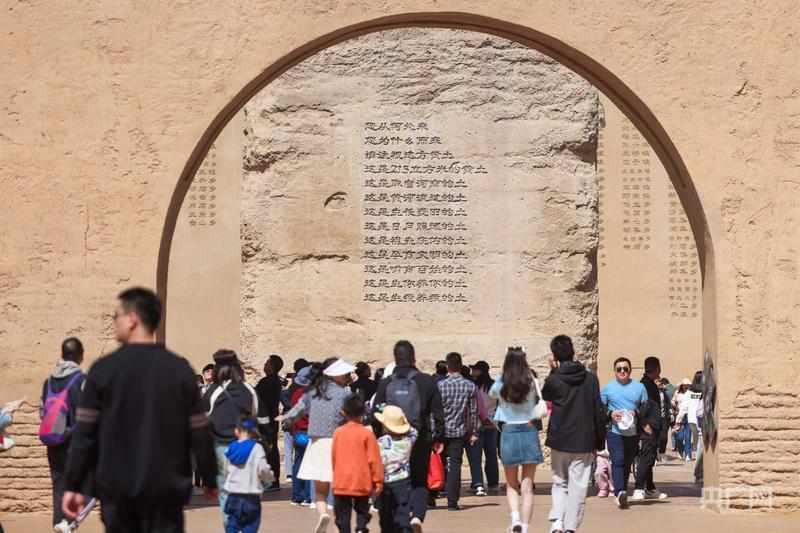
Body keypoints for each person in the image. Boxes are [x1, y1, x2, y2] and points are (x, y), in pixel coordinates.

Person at [62, 287, 218, 532]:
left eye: (116, 316)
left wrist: (73, 484)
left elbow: (84, 434)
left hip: (117, 490)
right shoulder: (179, 370)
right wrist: (209, 478)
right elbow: (199, 432)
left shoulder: (104, 370)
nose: (114, 322)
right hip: (167, 491)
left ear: (132, 318)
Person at [372, 340, 444, 531]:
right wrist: (438, 438)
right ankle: (417, 516)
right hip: (419, 438)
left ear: (395, 359)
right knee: (419, 480)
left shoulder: (387, 383)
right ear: (414, 358)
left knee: (392, 478)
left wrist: (377, 436)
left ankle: (395, 517)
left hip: (391, 440)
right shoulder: (427, 381)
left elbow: (375, 412)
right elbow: (438, 412)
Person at [541, 336, 606, 533]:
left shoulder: (554, 379)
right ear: (573, 351)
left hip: (560, 437)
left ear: (554, 355)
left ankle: (557, 522)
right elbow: (598, 410)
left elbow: (546, 395)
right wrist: (599, 440)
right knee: (578, 486)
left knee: (559, 481)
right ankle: (570, 527)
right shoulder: (591, 379)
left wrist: (553, 370)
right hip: (584, 439)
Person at [282, 358, 356, 533]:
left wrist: (287, 421)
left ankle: (322, 513)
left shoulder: (312, 392)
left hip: (316, 443)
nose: (348, 377)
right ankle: (341, 523)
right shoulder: (345, 394)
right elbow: (356, 414)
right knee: (339, 489)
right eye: (345, 374)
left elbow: (297, 410)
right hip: (339, 442)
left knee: (320, 489)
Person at [489, 348, 545, 533]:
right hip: (529, 430)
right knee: (528, 486)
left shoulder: (502, 381)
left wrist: (502, 376)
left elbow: (491, 394)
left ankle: (515, 520)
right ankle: (526, 527)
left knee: (512, 484)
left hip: (509, 431)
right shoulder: (531, 380)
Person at [204, 349, 259, 527]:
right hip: (248, 446)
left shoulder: (214, 390)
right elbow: (258, 414)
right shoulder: (248, 389)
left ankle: (231, 527)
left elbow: (204, 415)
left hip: (222, 447)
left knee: (226, 491)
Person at [40, 337, 87, 532]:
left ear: (62, 354)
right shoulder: (81, 381)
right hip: (74, 444)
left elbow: (43, 412)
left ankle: (58, 526)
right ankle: (68, 526)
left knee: (58, 488)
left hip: (53, 442)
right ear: (80, 356)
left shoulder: (48, 381)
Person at [601, 356, 649, 509]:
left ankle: (621, 490)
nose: (622, 371)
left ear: (630, 370)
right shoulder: (607, 388)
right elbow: (599, 408)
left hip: (632, 431)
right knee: (618, 460)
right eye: (619, 369)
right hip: (614, 431)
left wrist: (636, 412)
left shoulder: (639, 388)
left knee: (627, 462)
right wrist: (610, 414)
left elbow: (646, 406)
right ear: (615, 371)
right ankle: (620, 492)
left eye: (625, 369)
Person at [332, 395, 383, 533]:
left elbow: (334, 457)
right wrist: (378, 481)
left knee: (342, 515)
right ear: (363, 413)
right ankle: (361, 528)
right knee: (362, 510)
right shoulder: (367, 434)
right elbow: (374, 459)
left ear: (344, 412)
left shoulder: (338, 433)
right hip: (362, 479)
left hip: (341, 480)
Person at [436, 351, 479, 512]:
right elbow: (473, 412)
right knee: (455, 465)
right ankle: (452, 502)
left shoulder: (440, 385)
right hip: (459, 431)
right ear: (460, 366)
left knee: (437, 464)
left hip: (441, 431)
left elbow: (436, 411)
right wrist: (474, 431)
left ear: (448, 366)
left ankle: (433, 495)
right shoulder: (469, 386)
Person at [223, 416, 273, 533]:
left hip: (233, 495)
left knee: (232, 525)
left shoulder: (231, 448)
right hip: (251, 496)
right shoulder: (257, 448)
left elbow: (225, 469)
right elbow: (263, 470)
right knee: (250, 525)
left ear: (237, 431)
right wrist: (269, 477)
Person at [375, 405, 418, 533]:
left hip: (386, 481)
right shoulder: (408, 441)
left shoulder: (381, 442)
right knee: (403, 511)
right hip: (403, 480)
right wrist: (403, 422)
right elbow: (414, 431)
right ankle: (405, 529)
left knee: (386, 515)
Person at [632, 356, 669, 502]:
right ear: (658, 368)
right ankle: (639, 488)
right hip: (648, 429)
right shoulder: (644, 386)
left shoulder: (650, 384)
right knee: (646, 459)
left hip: (653, 427)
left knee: (650, 459)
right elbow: (640, 407)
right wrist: (644, 423)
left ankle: (650, 488)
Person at [466, 360, 499, 496]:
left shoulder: (474, 387)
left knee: (475, 456)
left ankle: (478, 483)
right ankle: (493, 482)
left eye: (475, 370)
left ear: (481, 371)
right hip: (492, 424)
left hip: (477, 424)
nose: (473, 372)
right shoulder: (495, 386)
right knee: (491, 455)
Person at [255, 354, 284, 492]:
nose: (265, 365)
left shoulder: (268, 382)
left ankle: (271, 481)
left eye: (267, 363)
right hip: (269, 420)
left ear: (272, 367)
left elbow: (258, 399)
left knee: (269, 451)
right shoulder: (273, 381)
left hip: (266, 422)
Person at [289, 366, 314, 506]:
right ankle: (308, 496)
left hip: (298, 433)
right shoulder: (313, 395)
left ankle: (296, 495)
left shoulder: (296, 394)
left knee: (297, 463)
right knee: (310, 464)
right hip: (309, 433)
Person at [671, 378, 691, 458]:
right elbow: (672, 401)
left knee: (688, 436)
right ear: (682, 386)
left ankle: (688, 455)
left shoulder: (691, 393)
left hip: (688, 415)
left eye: (687, 385)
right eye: (685, 385)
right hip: (679, 415)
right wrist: (675, 407)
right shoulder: (677, 393)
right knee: (680, 436)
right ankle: (680, 450)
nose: (686, 387)